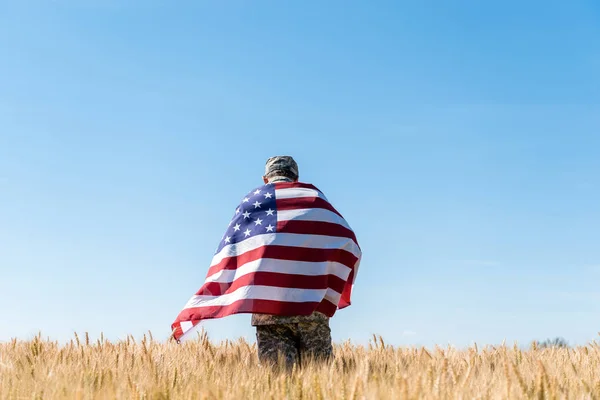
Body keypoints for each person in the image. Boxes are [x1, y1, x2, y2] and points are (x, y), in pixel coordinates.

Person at [252, 156, 334, 368]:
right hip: (312, 308)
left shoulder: (253, 204)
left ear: (265, 178)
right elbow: (344, 243)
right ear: (296, 177)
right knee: (320, 384)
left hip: (269, 310)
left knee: (279, 386)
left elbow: (236, 250)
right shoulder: (317, 202)